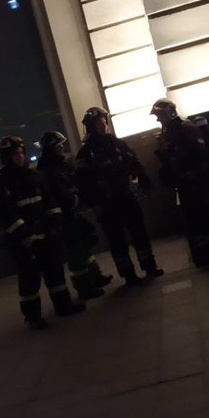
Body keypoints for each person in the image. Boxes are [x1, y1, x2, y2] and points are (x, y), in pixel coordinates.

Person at [0, 135, 86, 329]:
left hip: (45, 233)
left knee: (55, 271)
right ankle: (32, 317)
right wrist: (24, 235)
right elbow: (5, 213)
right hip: (24, 240)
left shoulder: (34, 175)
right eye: (15, 154)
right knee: (30, 278)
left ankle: (63, 305)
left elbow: (49, 201)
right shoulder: (0, 182)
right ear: (6, 157)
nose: (20, 157)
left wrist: (55, 223)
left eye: (21, 153)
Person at [76, 106, 164, 285]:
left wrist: (145, 181)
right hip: (106, 203)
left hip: (126, 196)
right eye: (100, 123)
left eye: (104, 122)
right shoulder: (85, 153)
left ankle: (149, 266)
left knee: (139, 232)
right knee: (117, 240)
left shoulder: (116, 143)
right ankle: (128, 274)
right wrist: (95, 204)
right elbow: (83, 183)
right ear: (91, 126)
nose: (104, 126)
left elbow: (134, 162)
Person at [151, 98, 209, 269]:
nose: (158, 120)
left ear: (169, 113)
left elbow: (198, 152)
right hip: (183, 183)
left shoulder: (185, 127)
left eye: (160, 116)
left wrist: (181, 160)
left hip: (196, 180)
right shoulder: (166, 133)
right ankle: (205, 256)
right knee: (194, 220)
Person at [37, 130, 113, 301]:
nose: (62, 148)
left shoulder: (59, 165)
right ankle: (84, 287)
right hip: (64, 217)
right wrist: (75, 198)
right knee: (76, 252)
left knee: (84, 245)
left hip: (72, 214)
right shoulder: (49, 171)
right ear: (50, 149)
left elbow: (74, 183)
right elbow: (62, 194)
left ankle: (95, 276)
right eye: (58, 146)